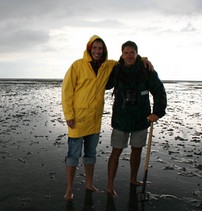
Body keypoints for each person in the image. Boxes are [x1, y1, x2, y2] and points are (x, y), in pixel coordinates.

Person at [62, 35, 153, 201]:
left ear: (104, 51)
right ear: (89, 49)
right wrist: (69, 115)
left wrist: (144, 59)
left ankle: (88, 184)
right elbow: (67, 91)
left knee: (90, 154)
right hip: (78, 118)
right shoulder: (77, 65)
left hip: (94, 119)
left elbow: (128, 60)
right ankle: (69, 189)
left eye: (100, 48)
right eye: (95, 48)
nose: (97, 51)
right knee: (73, 155)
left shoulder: (108, 65)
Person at [106, 40, 167, 196]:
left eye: (132, 52)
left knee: (137, 150)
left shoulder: (146, 69)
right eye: (126, 52)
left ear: (137, 53)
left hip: (141, 118)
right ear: (122, 54)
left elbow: (159, 91)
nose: (129, 55)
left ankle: (133, 179)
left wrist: (157, 113)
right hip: (121, 117)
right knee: (116, 151)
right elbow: (103, 84)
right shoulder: (116, 69)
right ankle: (110, 185)